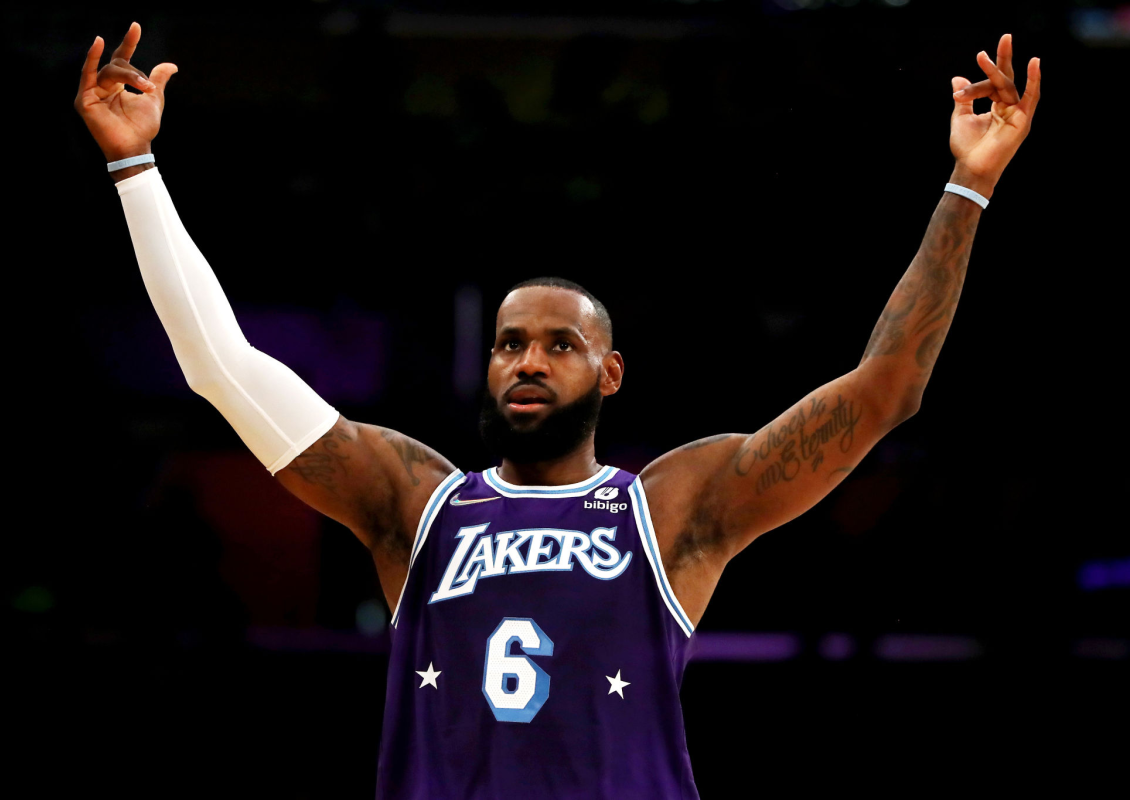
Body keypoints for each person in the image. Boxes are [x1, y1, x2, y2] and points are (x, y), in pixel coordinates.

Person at [75, 22, 1041, 799]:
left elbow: (886, 390)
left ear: (611, 372)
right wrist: (136, 170)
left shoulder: (671, 506)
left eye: (559, 344)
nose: (528, 361)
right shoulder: (417, 505)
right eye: (509, 344)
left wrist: (969, 184)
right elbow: (218, 365)